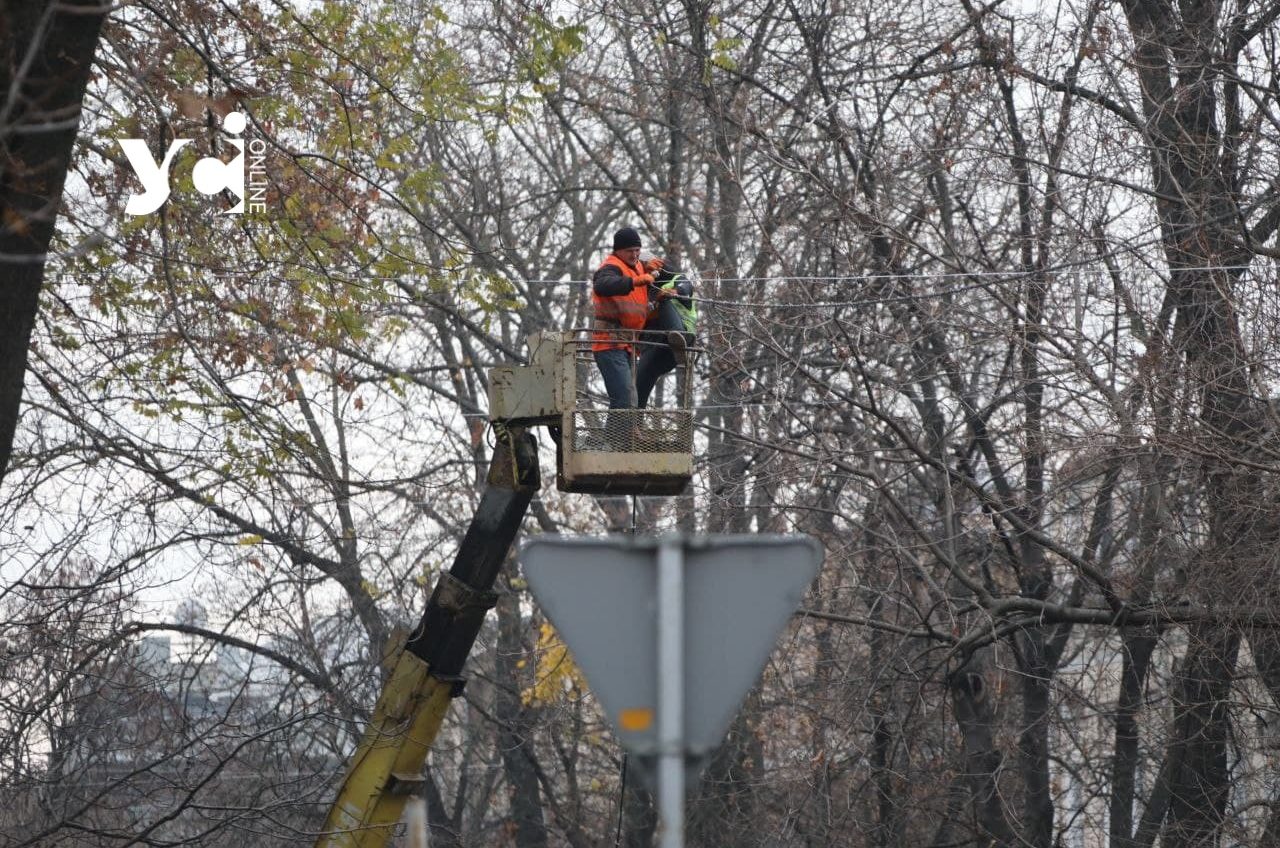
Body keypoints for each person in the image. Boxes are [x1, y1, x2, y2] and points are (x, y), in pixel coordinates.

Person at [592, 226, 654, 410]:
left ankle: (623, 435)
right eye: (630, 251)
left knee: (630, 399)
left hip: (628, 345)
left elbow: (636, 304)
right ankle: (614, 439)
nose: (635, 255)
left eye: (637, 250)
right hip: (610, 343)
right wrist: (634, 282)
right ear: (618, 250)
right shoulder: (610, 267)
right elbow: (602, 285)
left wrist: (657, 298)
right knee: (624, 398)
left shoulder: (637, 268)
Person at [635, 259, 696, 408]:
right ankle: (633, 425)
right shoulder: (644, 292)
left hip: (681, 334)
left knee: (664, 299)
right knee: (637, 388)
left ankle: (678, 339)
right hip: (656, 347)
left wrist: (671, 292)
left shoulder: (677, 279)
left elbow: (685, 288)